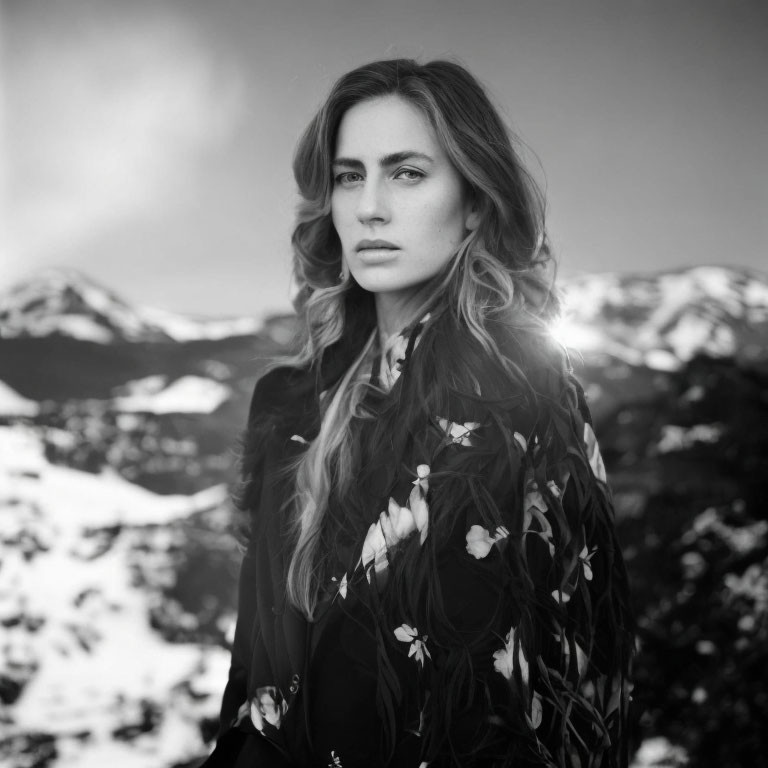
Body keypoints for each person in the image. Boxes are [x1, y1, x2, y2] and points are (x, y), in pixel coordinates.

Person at [202, 58, 634, 768]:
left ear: (474, 200)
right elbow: (254, 676)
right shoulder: (285, 403)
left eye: (406, 173)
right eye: (350, 176)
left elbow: (582, 679)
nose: (370, 205)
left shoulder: (521, 395)